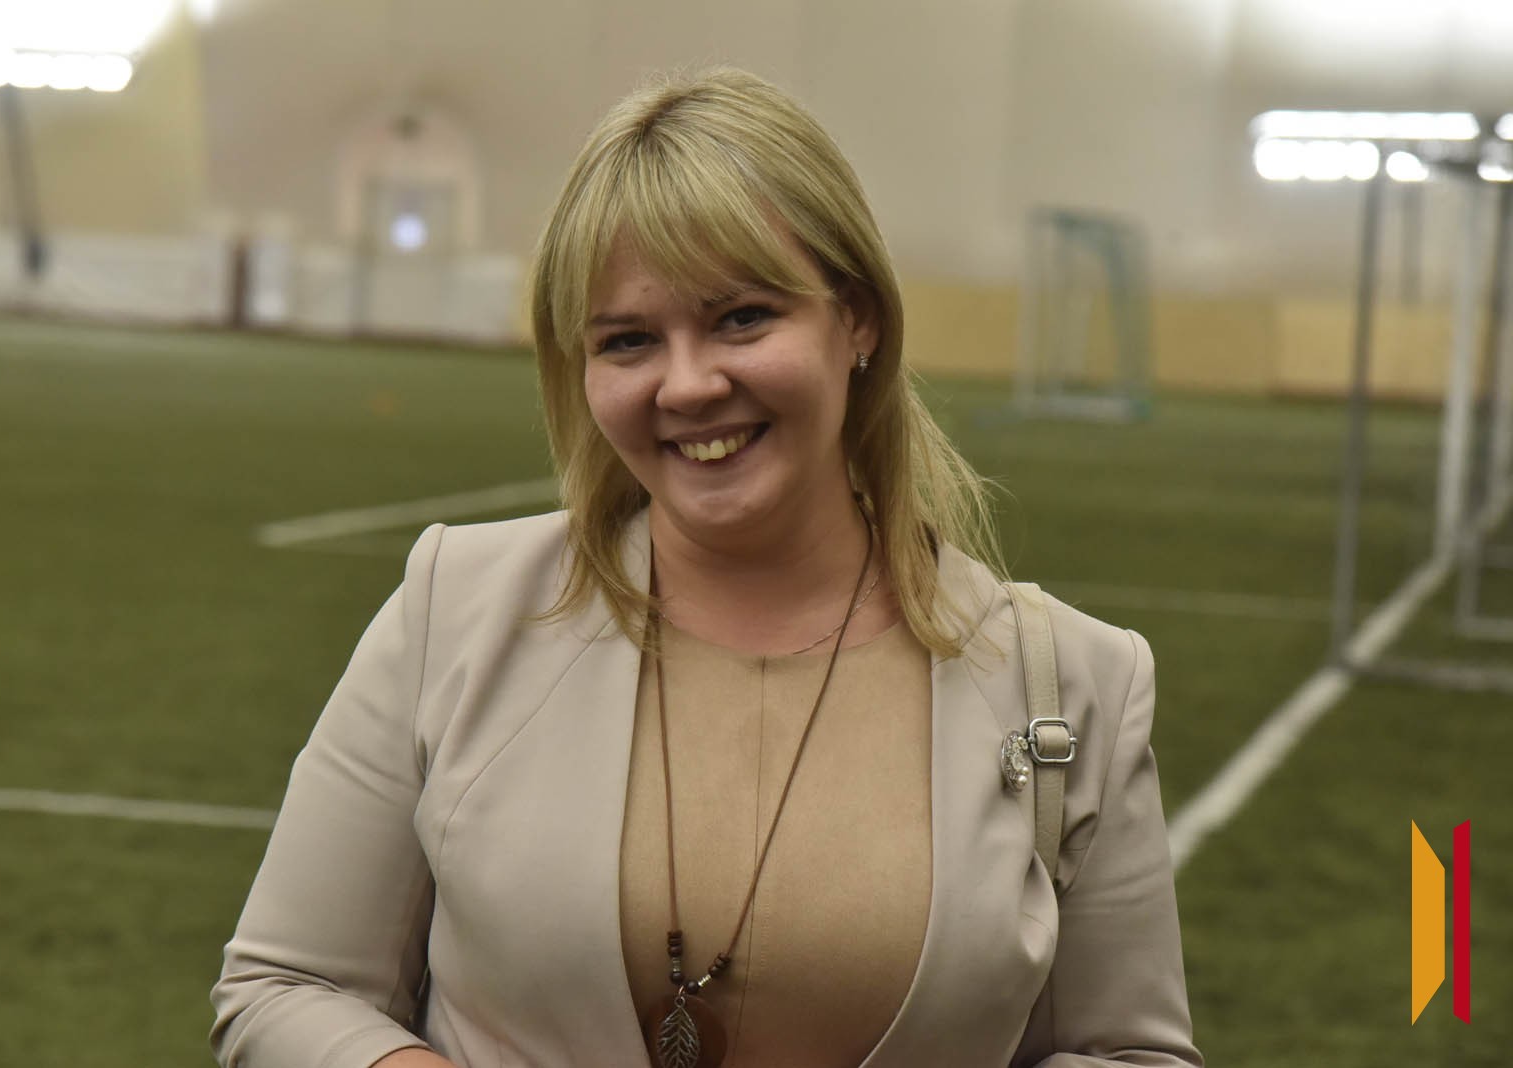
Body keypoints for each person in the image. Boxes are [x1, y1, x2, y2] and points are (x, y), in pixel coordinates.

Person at [210, 67, 1204, 1068]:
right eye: (629, 340)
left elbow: (1131, 1053)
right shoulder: (454, 608)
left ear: (856, 318)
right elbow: (285, 988)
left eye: (741, 318)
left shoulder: (1072, 684)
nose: (686, 385)